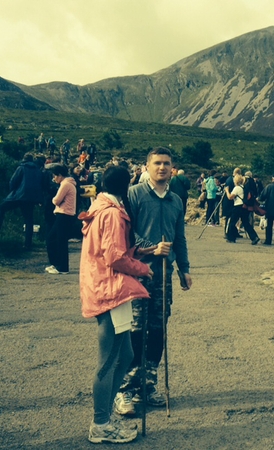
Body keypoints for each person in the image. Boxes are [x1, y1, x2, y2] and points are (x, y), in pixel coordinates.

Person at [115, 147, 192, 416]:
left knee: (158, 328)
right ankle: (126, 389)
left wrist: (184, 268)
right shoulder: (133, 195)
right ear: (146, 167)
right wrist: (150, 248)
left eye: (167, 163)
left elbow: (179, 238)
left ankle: (149, 385)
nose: (162, 167)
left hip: (163, 274)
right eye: (157, 163)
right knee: (135, 330)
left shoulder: (176, 201)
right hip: (137, 272)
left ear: (172, 168)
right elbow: (126, 235)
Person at [79, 165, 153, 444]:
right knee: (109, 360)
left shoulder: (101, 207)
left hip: (107, 288)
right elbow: (114, 257)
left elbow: (113, 251)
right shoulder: (112, 213)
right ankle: (100, 424)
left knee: (126, 354)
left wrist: (141, 252)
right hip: (110, 290)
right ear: (129, 183)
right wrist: (142, 269)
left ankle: (106, 418)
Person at [0, 153, 42, 249]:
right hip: (31, 198)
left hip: (19, 195)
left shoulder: (21, 167)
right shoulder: (37, 170)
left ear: (24, 159)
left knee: (1, 208)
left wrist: (13, 192)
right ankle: (28, 244)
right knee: (29, 220)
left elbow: (13, 181)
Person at [45, 165, 77, 275]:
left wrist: (54, 199)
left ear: (60, 175)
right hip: (66, 214)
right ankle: (58, 264)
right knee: (57, 240)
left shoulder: (65, 184)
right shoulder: (70, 184)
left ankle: (61, 267)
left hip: (64, 214)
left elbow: (56, 200)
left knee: (56, 240)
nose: (54, 178)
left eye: (54, 176)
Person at [226, 174, 260, 245]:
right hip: (244, 207)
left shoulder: (237, 188)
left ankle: (231, 238)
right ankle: (254, 237)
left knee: (232, 222)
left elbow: (230, 197)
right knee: (246, 223)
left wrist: (227, 191)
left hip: (238, 206)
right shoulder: (244, 187)